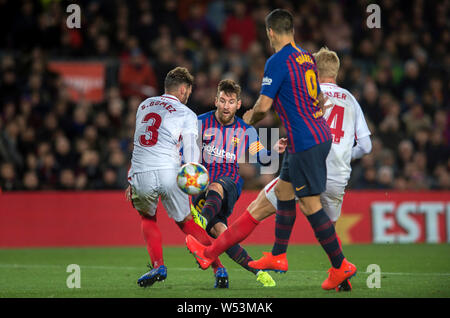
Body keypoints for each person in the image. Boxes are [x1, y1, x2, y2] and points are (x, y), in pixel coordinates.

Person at [187, 9, 357, 291]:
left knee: (311, 206)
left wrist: (248, 120)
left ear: (270, 33)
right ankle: (277, 255)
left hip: (305, 140)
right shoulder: (306, 57)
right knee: (284, 192)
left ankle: (340, 266)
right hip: (308, 137)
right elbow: (316, 99)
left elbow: (263, 107)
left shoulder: (277, 61)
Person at [125, 67, 226, 288]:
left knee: (147, 218)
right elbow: (190, 147)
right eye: (188, 90)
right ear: (183, 89)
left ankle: (158, 265)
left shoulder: (144, 105)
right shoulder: (186, 113)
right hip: (169, 170)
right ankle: (219, 269)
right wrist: (193, 175)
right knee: (187, 222)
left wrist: (131, 177)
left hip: (141, 171)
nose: (188, 95)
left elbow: (139, 142)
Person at [189, 79, 278, 287]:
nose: (226, 106)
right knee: (224, 237)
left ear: (238, 104)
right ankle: (257, 270)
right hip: (201, 189)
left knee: (216, 186)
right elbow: (184, 148)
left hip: (229, 184)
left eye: (231, 102)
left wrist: (275, 150)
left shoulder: (246, 130)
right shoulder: (199, 123)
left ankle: (200, 221)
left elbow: (263, 158)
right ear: (215, 101)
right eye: (222, 101)